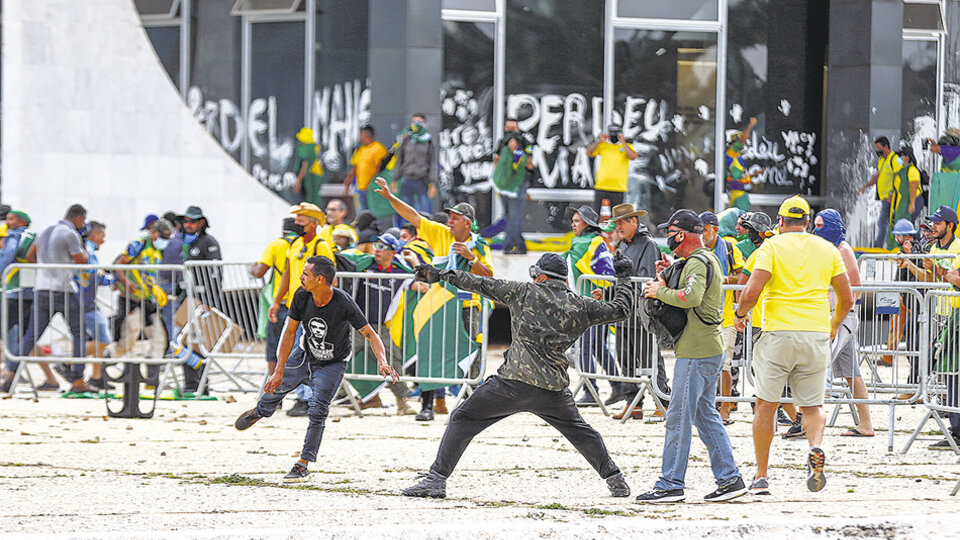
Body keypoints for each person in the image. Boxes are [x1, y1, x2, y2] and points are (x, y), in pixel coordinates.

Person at [401, 253, 633, 499]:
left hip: (512, 383)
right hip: (553, 389)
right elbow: (621, 309)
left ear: (541, 276)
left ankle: (436, 480)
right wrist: (624, 278)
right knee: (581, 432)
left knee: (462, 419)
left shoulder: (523, 292)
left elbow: (480, 283)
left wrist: (441, 275)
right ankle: (615, 479)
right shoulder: (581, 305)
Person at [235, 256, 400, 483]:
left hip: (332, 363)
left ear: (320, 279)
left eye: (305, 274)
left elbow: (371, 334)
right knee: (274, 390)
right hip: (304, 355)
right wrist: (279, 369)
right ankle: (260, 411)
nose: (301, 278)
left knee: (318, 410)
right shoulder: (302, 296)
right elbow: (290, 333)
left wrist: (382, 361)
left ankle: (303, 464)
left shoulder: (343, 302)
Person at [735, 195, 854, 495]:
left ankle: (762, 476)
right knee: (812, 407)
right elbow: (847, 297)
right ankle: (815, 447)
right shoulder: (827, 249)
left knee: (765, 405)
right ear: (806, 222)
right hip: (815, 334)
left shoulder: (772, 246)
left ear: (782, 221)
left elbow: (751, 291)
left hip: (778, 334)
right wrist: (834, 324)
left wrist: (740, 314)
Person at [633, 210, 746, 503]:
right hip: (705, 349)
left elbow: (691, 297)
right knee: (704, 415)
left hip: (696, 352)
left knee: (679, 416)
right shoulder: (702, 260)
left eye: (670, 232)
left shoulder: (698, 261)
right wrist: (669, 273)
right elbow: (691, 289)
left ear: (680, 234)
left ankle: (670, 483)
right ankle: (730, 479)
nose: (667, 237)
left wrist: (659, 292)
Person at [375, 177, 492, 420]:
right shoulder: (440, 233)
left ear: (467, 223)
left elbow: (489, 275)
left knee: (471, 354)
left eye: (455, 218)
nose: (449, 221)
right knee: (431, 351)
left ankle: (470, 406)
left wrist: (471, 258)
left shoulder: (480, 245)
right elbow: (414, 215)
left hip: (467, 306)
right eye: (449, 217)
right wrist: (389, 197)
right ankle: (428, 406)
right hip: (438, 305)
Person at [268, 203, 336, 417]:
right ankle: (301, 395)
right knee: (291, 352)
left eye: (301, 221)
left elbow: (330, 277)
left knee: (304, 354)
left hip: (313, 306)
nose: (296, 224)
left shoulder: (321, 246)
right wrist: (277, 300)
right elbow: (287, 274)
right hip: (295, 306)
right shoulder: (295, 243)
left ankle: (306, 398)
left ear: (313, 224)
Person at [16, 205, 90, 393]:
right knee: (79, 333)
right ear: (79, 218)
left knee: (32, 334)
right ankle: (77, 378)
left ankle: (11, 372)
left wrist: (46, 266)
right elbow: (82, 261)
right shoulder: (69, 233)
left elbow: (31, 256)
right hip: (64, 288)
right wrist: (83, 245)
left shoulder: (45, 230)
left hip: (41, 287)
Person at [813, 209, 873, 437]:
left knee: (818, 363)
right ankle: (866, 424)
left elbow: (855, 287)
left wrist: (836, 313)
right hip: (838, 316)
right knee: (852, 374)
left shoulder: (843, 250)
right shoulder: (831, 249)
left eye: (820, 225)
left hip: (842, 317)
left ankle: (807, 419)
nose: (816, 230)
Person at [605, 203, 669, 417]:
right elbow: (620, 280)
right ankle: (633, 404)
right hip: (624, 311)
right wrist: (607, 295)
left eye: (622, 222)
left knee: (650, 358)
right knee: (625, 359)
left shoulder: (648, 244)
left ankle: (663, 402)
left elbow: (647, 278)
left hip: (641, 312)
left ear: (634, 221)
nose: (618, 226)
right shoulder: (622, 245)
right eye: (617, 223)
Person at [346, 232, 417, 415]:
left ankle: (402, 402)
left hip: (378, 327)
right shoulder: (366, 264)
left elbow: (422, 283)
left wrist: (415, 261)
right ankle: (312, 398)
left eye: (382, 247)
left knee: (393, 360)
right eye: (376, 245)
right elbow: (343, 259)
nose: (376, 250)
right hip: (355, 325)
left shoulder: (400, 270)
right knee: (335, 359)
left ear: (393, 253)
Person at [564, 205, 620, 406]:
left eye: (576, 221)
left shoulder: (582, 242)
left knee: (584, 348)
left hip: (590, 303)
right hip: (603, 302)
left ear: (587, 223)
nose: (572, 224)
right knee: (598, 347)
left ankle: (591, 391)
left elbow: (565, 263)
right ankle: (619, 385)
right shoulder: (598, 241)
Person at [0, 210, 59, 392]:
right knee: (27, 339)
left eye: (11, 219)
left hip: (16, 292)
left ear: (21, 221)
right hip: (30, 291)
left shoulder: (17, 235)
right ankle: (49, 379)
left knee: (12, 335)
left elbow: (7, 258)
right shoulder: (34, 236)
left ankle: (10, 373)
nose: (8, 223)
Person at [920, 206, 960, 449]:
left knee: (953, 372)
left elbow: (956, 279)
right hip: (940, 313)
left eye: (938, 222)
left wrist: (938, 270)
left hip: (956, 315)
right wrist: (914, 267)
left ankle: (956, 427)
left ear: (950, 225)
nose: (933, 226)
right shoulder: (934, 248)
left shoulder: (958, 247)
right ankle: (953, 421)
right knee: (945, 370)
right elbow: (931, 280)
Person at [700, 211, 743, 423]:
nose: (702, 234)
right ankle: (709, 404)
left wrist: (726, 279)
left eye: (705, 229)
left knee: (724, 364)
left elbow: (744, 277)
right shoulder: (696, 249)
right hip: (702, 315)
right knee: (705, 363)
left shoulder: (728, 247)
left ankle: (726, 405)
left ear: (715, 229)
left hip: (726, 315)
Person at [111, 219, 172, 366]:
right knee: (130, 337)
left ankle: (153, 375)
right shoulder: (139, 244)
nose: (163, 242)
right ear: (153, 233)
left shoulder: (160, 250)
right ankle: (107, 358)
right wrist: (125, 281)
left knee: (159, 337)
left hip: (148, 299)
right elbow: (119, 264)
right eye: (161, 238)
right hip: (131, 298)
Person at [181, 206, 222, 392]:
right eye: (186, 221)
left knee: (200, 342)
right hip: (186, 299)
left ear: (201, 223)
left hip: (202, 301)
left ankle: (201, 384)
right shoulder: (184, 242)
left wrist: (210, 301)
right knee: (184, 341)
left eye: (192, 221)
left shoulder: (208, 242)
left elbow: (216, 273)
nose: (188, 225)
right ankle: (189, 383)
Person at [252, 218, 299, 376]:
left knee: (274, 346)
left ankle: (274, 387)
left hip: (281, 303)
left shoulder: (276, 245)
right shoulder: (303, 245)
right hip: (300, 303)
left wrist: (253, 267)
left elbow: (259, 271)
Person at [75, 221, 113, 391]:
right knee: (104, 338)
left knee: (98, 338)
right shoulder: (89, 251)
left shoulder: (82, 248)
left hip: (82, 301)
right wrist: (113, 279)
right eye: (102, 236)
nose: (103, 240)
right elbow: (95, 275)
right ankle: (68, 360)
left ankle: (97, 377)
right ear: (95, 234)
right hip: (86, 302)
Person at [492, 118, 534, 254]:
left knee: (514, 216)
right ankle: (520, 245)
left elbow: (530, 163)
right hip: (505, 185)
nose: (511, 134)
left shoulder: (526, 142)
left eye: (513, 129)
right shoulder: (501, 143)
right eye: (508, 129)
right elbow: (496, 160)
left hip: (519, 184)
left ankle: (509, 245)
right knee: (510, 216)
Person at [857, 136, 903, 249]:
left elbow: (900, 176)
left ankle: (879, 246)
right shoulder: (881, 160)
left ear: (886, 147)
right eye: (876, 148)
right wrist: (865, 186)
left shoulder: (895, 159)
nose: (877, 151)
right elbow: (878, 176)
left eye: (879, 148)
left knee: (883, 221)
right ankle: (888, 245)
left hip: (891, 198)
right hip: (884, 198)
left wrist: (892, 193)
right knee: (886, 222)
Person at [393, 114, 438, 215]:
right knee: (405, 211)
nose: (416, 125)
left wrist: (433, 184)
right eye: (414, 122)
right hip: (407, 179)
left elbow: (432, 163)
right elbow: (399, 159)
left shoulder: (428, 141)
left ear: (425, 124)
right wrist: (395, 179)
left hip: (422, 180)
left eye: (419, 122)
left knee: (424, 211)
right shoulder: (407, 140)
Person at [587, 124, 637, 209]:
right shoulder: (603, 145)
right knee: (595, 214)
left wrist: (623, 142)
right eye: (612, 132)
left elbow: (633, 156)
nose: (614, 134)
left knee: (616, 217)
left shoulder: (626, 146)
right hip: (601, 185)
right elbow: (589, 152)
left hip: (618, 187)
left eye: (615, 132)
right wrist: (599, 141)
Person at [344, 124, 388, 212]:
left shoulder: (378, 148)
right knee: (361, 210)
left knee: (372, 210)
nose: (359, 137)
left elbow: (381, 168)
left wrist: (374, 183)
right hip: (359, 186)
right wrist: (349, 179)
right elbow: (356, 166)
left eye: (360, 134)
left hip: (371, 187)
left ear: (366, 134)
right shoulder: (361, 149)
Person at [725, 118, 760, 212]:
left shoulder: (738, 157)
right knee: (739, 219)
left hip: (741, 193)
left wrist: (754, 175)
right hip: (737, 194)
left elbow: (740, 176)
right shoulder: (730, 154)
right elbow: (742, 140)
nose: (743, 143)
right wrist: (750, 125)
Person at [892, 146, 926, 226]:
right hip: (906, 201)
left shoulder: (912, 170)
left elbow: (914, 186)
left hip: (915, 200)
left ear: (907, 157)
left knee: (907, 224)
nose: (899, 158)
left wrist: (912, 203)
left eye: (901, 156)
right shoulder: (902, 170)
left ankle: (916, 238)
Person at [292, 127, 325, 206]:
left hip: (310, 175)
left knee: (309, 199)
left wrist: (298, 182)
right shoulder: (315, 147)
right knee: (315, 197)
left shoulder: (306, 149)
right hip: (317, 174)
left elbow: (304, 166)